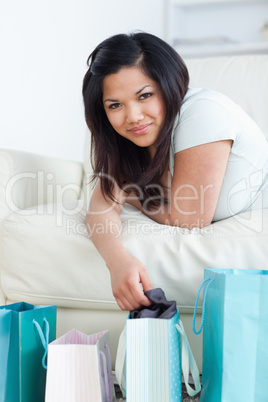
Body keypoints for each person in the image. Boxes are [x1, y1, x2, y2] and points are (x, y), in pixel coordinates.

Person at [82, 32, 268, 311]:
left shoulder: (202, 112)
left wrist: (131, 193)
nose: (132, 116)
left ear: (169, 85)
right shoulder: (128, 140)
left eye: (145, 95)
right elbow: (101, 205)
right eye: (115, 105)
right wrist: (118, 260)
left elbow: (189, 218)